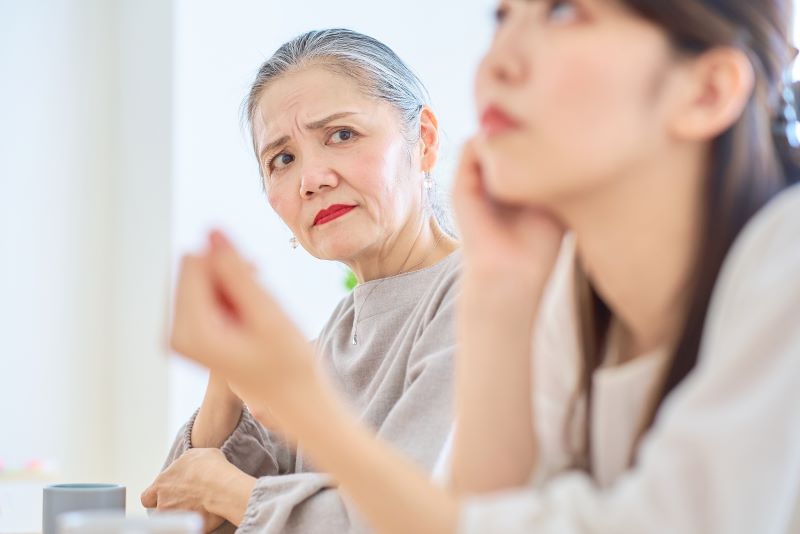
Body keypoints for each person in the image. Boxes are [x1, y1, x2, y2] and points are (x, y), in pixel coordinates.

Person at [162, 1, 800, 533]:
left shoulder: (785, 261)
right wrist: (501, 285)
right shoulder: (561, 291)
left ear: (707, 91)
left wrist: (298, 406)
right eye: (502, 17)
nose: (495, 63)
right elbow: (490, 518)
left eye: (563, 13)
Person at [141, 29, 460, 533]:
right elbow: (176, 510)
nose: (311, 179)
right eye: (283, 160)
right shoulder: (335, 337)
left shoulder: (480, 297)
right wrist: (225, 375)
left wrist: (229, 491)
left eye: (342, 135)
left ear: (423, 140)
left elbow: (419, 519)